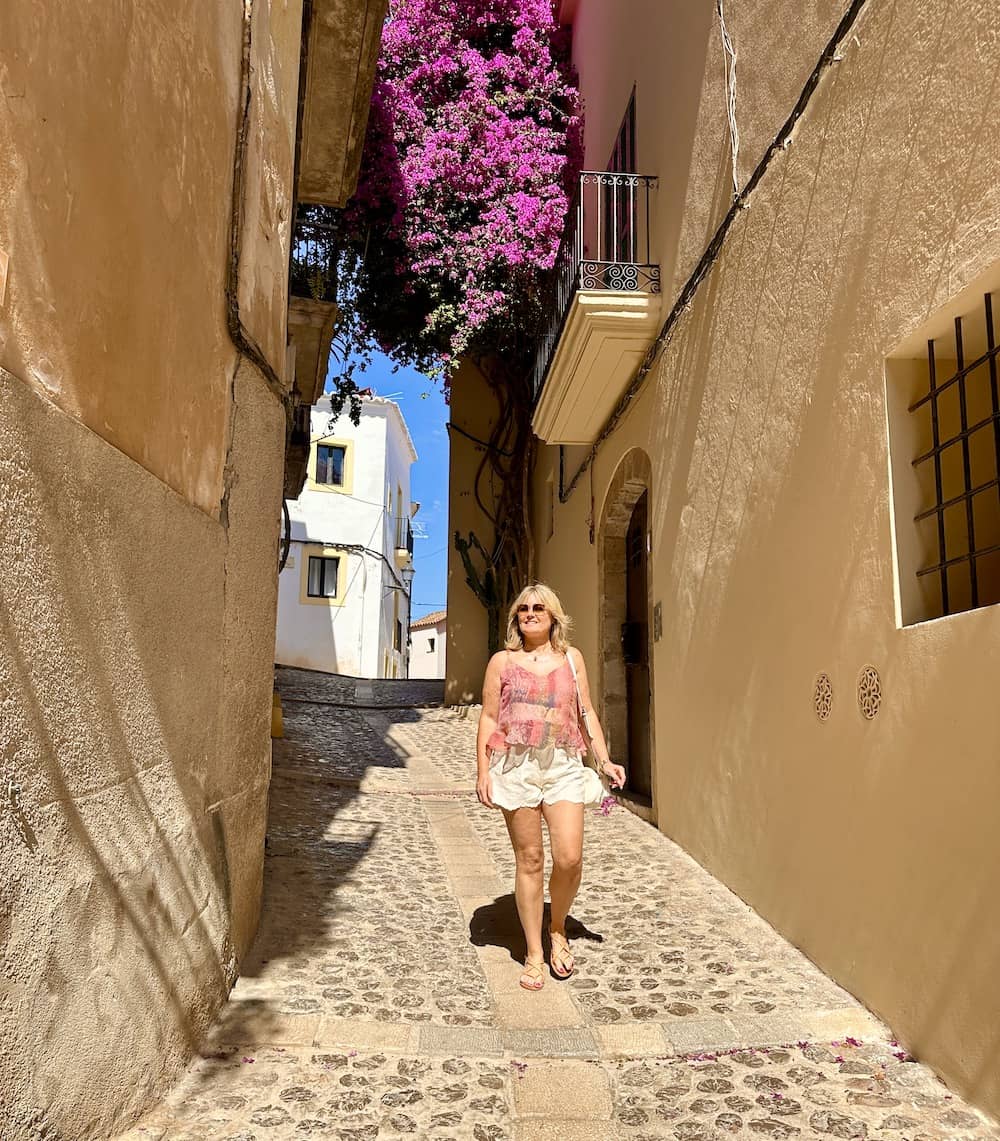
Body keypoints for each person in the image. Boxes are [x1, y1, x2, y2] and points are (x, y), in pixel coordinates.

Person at [476, 584, 626, 991]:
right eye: (523, 608)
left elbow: (586, 712)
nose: (530, 612)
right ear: (516, 617)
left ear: (553, 615)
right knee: (530, 859)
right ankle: (534, 952)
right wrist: (483, 771)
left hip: (562, 762)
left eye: (538, 607)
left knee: (570, 857)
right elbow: (489, 717)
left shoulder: (571, 659)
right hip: (517, 765)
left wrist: (604, 760)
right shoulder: (502, 662)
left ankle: (556, 926)